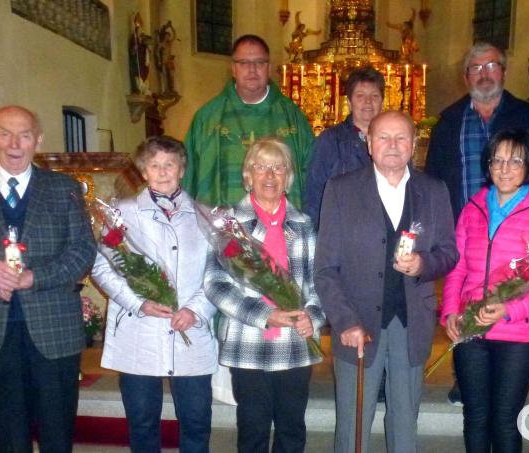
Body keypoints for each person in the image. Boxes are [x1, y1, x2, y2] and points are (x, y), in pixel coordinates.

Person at [0, 105, 97, 452]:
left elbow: (82, 251)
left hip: (53, 324)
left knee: (57, 426)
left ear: (37, 140)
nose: (15, 143)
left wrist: (33, 278)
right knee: (7, 427)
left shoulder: (64, 188)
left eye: (24, 134)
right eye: (5, 133)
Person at [425, 41, 529, 405]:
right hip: (466, 227)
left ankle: (504, 379)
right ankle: (466, 380)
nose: (484, 75)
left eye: (491, 66)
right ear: (465, 75)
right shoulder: (450, 120)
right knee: (465, 298)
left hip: (518, 233)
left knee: (508, 300)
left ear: (503, 71)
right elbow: (435, 178)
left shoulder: (528, 116)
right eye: (476, 68)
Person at [316, 111, 457, 453]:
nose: (392, 145)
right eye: (383, 137)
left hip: (411, 323)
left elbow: (449, 252)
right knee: (353, 423)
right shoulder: (340, 190)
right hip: (357, 324)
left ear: (414, 143)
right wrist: (344, 320)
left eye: (401, 138)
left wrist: (424, 263)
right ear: (368, 143)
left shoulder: (434, 190)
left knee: (405, 420)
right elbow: (325, 269)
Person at [439, 128, 529, 453]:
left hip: (518, 337)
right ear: (488, 164)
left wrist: (512, 309)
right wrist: (451, 311)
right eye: (497, 160)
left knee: (504, 419)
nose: (504, 168)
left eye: (514, 160)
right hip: (472, 331)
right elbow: (457, 267)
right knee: (476, 416)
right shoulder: (474, 208)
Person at [91, 136, 217, 453]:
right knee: (143, 423)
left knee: (197, 421)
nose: (162, 172)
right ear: (144, 171)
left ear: (182, 169)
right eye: (155, 165)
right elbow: (101, 266)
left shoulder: (206, 217)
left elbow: (220, 273)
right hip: (139, 330)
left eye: (170, 164)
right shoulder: (121, 213)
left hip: (190, 328)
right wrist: (137, 303)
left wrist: (196, 310)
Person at [204, 137, 325, 453]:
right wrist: (264, 314)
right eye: (261, 167)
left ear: (288, 177)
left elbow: (320, 283)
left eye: (278, 167)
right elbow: (215, 284)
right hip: (249, 340)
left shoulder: (304, 225)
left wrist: (312, 316)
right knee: (253, 431)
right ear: (248, 175)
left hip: (296, 341)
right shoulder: (230, 225)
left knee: (291, 430)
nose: (270, 176)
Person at [183, 34, 314, 209]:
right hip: (220, 229)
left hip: (281, 229)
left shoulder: (293, 117)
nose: (252, 69)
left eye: (259, 62)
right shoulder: (208, 117)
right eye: (244, 63)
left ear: (269, 67)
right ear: (233, 69)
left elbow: (312, 172)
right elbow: (187, 174)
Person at [304, 66, 385, 228]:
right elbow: (314, 194)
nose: (368, 102)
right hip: (341, 231)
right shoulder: (330, 140)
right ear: (349, 102)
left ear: (382, 101)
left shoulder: (392, 140)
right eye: (360, 96)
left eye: (374, 96)